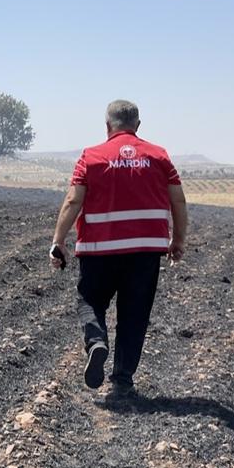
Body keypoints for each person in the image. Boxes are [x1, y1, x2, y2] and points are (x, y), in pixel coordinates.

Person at [49, 100, 188, 398]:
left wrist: (58, 240)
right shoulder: (159, 156)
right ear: (138, 126)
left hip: (99, 250)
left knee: (89, 301)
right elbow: (178, 200)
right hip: (145, 250)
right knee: (134, 313)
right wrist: (178, 240)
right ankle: (122, 380)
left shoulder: (92, 157)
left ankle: (97, 341)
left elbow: (74, 200)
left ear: (107, 125)